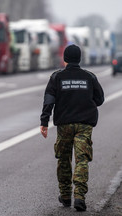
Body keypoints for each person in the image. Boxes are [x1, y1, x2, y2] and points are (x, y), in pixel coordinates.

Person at [40, 44, 104, 212]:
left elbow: (49, 100)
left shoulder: (56, 77)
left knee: (63, 159)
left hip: (64, 125)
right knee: (82, 159)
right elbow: (100, 99)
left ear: (65, 58)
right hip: (84, 125)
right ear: (80, 58)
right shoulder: (89, 77)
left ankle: (66, 195)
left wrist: (44, 122)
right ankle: (80, 197)